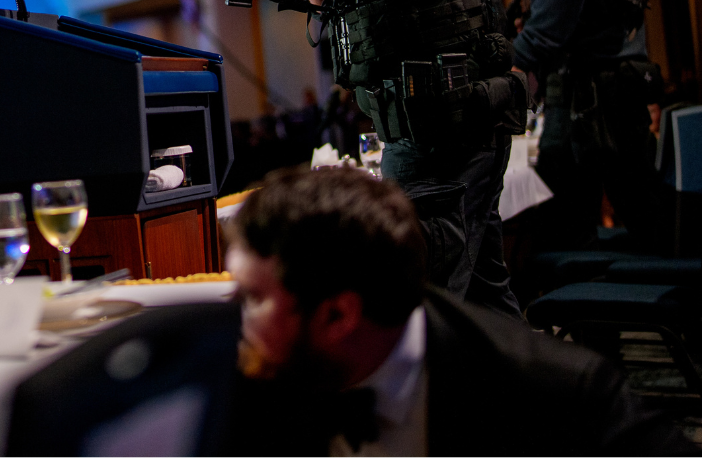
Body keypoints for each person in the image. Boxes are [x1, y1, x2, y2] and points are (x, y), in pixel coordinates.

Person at [135, 0, 527, 315]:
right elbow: (348, 19)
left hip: (437, 139)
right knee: (481, 291)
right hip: (459, 127)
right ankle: (532, 387)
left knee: (418, 304)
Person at [221, 167, 689, 455]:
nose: (234, 320)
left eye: (251, 300)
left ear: (338, 317)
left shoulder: (553, 392)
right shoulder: (250, 377)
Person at [489, 0, 667, 253]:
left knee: (568, 221)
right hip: (611, 98)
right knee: (641, 207)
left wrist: (488, 87)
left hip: (590, 104)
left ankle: (577, 305)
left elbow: (539, 40)